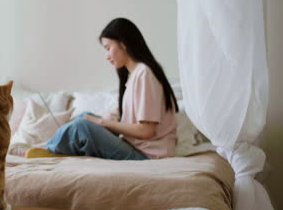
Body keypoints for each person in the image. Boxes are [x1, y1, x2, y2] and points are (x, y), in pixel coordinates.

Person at [25, 18, 178, 160]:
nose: (107, 56)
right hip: (135, 147)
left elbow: (146, 131)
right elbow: (128, 116)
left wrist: (101, 122)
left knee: (82, 126)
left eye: (108, 48)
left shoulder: (144, 73)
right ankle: (51, 150)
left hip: (147, 156)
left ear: (123, 44)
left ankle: (49, 151)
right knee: (84, 116)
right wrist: (101, 119)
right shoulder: (134, 76)